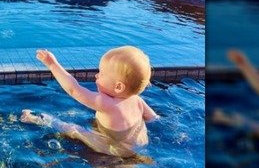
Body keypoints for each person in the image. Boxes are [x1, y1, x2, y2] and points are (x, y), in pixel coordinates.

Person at [21, 46, 159, 158]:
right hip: (139, 144)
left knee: (74, 129)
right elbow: (153, 118)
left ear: (118, 87)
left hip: (114, 150)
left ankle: (37, 119)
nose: (96, 75)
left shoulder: (107, 104)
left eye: (102, 74)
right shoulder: (137, 100)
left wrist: (52, 64)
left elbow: (74, 90)